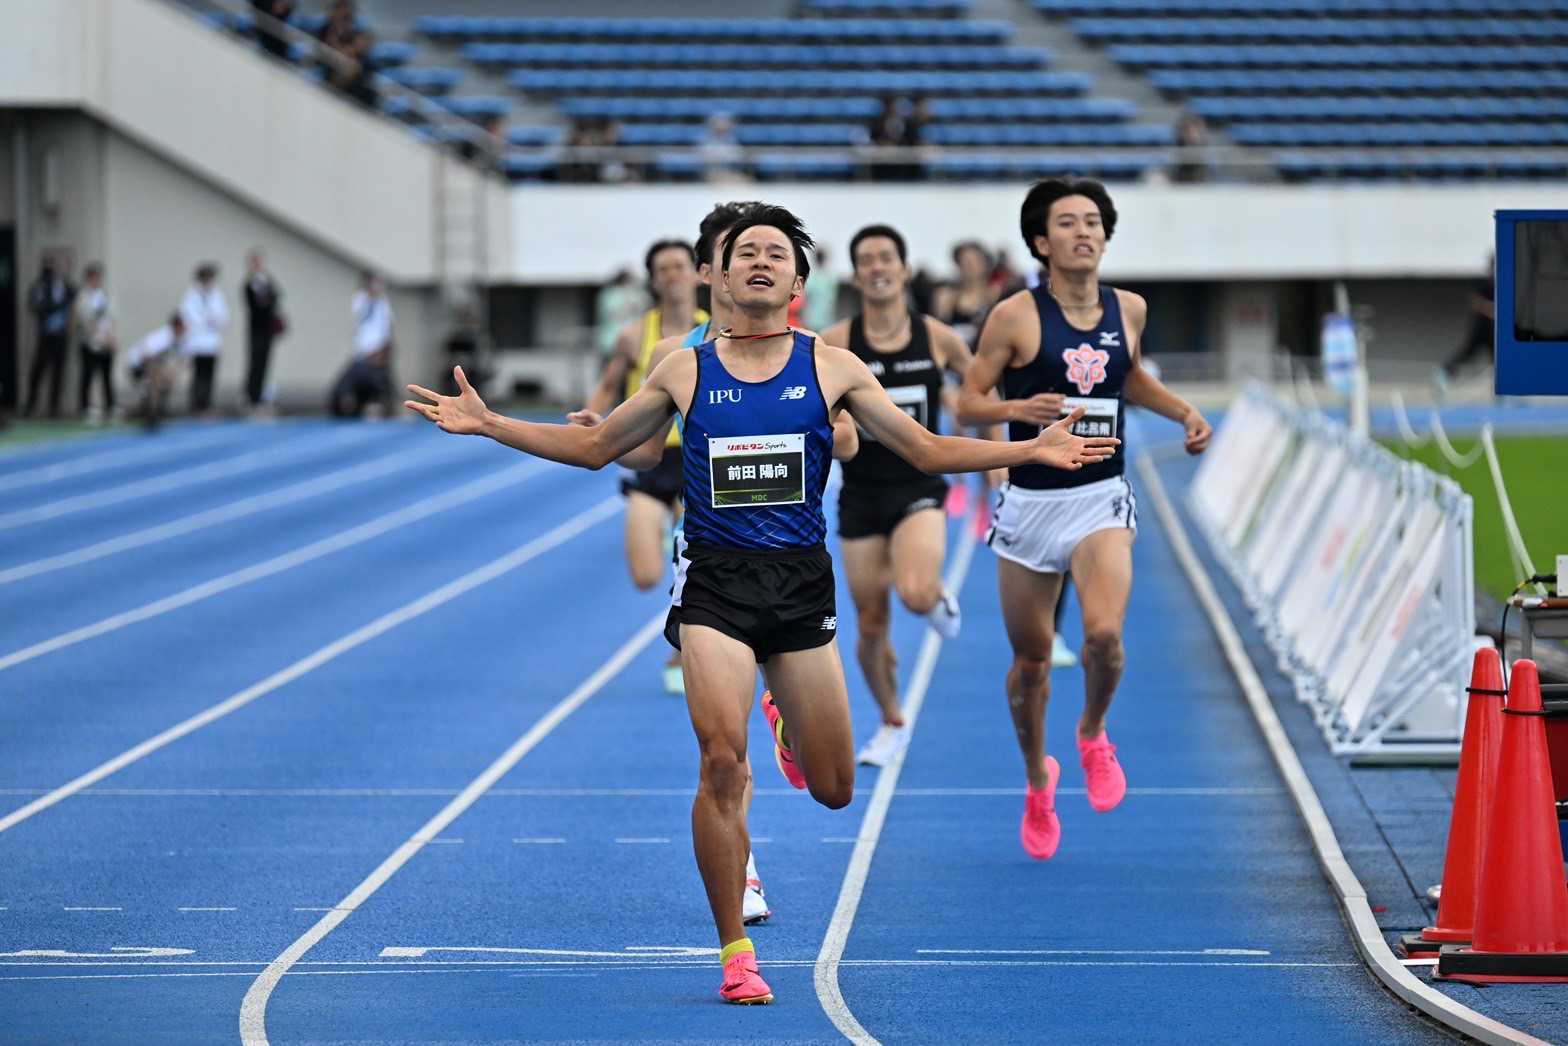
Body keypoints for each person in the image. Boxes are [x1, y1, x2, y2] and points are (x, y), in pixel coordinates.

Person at [406, 202, 1119, 1005]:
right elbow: (599, 447)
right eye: (745, 251)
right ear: (717, 273)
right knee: (720, 763)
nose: (759, 262)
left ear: (798, 282)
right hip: (714, 584)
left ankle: (784, 716)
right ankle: (735, 951)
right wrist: (493, 423)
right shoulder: (683, 366)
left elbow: (923, 449)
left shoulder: (833, 367)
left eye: (775, 253)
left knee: (836, 786)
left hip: (800, 587)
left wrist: (1029, 448)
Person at [957, 176, 1211, 862]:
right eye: (1068, 222)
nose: (1084, 231)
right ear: (1041, 242)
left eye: (1093, 221)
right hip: (1031, 502)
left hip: (1101, 495)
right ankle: (1040, 777)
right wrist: (1020, 412)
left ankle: (1094, 731)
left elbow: (1126, 378)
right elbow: (967, 404)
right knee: (1032, 662)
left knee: (1102, 635)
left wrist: (1182, 410)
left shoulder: (1129, 307)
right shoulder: (1014, 315)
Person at [820, 223, 998, 767]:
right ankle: (892, 720)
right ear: (855, 274)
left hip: (919, 487)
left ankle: (937, 595)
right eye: (866, 260)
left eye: (886, 258)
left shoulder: (938, 338)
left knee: (916, 594)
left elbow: (982, 396)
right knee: (870, 625)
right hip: (860, 494)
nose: (877, 268)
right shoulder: (835, 343)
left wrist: (997, 473)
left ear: (905, 270)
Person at [581, 239, 707, 693]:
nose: (673, 275)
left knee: (696, 572)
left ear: (697, 273)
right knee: (645, 576)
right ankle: (665, 532)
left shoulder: (709, 333)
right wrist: (589, 421)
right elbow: (609, 385)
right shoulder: (635, 336)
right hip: (649, 458)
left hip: (695, 462)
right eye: (663, 269)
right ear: (653, 281)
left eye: (680, 266)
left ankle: (680, 653)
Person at [331, 271, 394, 417]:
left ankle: (384, 405)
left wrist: (383, 348)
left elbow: (386, 325)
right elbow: (360, 315)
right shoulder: (361, 299)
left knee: (382, 379)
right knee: (356, 376)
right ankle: (353, 401)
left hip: (379, 349)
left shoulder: (383, 303)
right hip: (363, 348)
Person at [23, 255, 75, 419]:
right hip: (45, 336)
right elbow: (34, 306)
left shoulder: (65, 288)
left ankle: (54, 406)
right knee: (37, 371)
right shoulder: (39, 288)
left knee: (58, 372)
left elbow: (73, 300)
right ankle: (30, 404)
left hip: (60, 337)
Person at [180, 262, 229, 417]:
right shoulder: (192, 295)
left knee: (210, 374)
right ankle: (196, 404)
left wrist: (215, 319)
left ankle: (207, 404)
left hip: (212, 341)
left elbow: (224, 314)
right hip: (198, 341)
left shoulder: (217, 294)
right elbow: (188, 316)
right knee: (199, 374)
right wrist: (205, 320)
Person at [125, 312, 186, 430]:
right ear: (177, 327)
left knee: (165, 383)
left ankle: (155, 410)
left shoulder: (175, 340)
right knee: (155, 384)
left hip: (148, 364)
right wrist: (152, 373)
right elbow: (145, 354)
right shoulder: (164, 338)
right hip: (137, 365)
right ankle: (151, 415)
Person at [1441, 253, 1496, 381]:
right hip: (1481, 330)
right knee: (1467, 354)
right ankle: (1444, 374)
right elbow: (1475, 301)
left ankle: (1505, 391)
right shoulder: (1485, 283)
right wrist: (1490, 310)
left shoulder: (1501, 284)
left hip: (1493, 333)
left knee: (1499, 359)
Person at [72, 263, 116, 423]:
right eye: (95, 277)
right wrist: (96, 339)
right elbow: (85, 321)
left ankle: (110, 406)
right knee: (88, 375)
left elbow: (110, 319)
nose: (98, 280)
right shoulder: (83, 297)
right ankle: (85, 407)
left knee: (106, 375)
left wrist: (110, 338)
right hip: (90, 342)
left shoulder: (103, 295)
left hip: (106, 341)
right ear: (89, 278)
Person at [242, 250, 283, 416]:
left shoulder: (267, 280)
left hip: (267, 328)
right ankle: (252, 397)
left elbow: (276, 296)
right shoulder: (249, 284)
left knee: (265, 362)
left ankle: (261, 395)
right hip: (256, 328)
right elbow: (256, 304)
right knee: (255, 362)